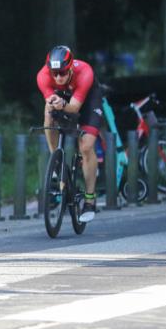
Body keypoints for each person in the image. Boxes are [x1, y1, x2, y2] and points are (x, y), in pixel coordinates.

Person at [36, 45, 102, 222]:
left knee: (86, 147)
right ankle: (56, 160)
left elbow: (74, 108)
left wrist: (63, 106)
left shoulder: (85, 72)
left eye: (62, 73)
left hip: (87, 99)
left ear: (71, 67)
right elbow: (50, 102)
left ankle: (90, 200)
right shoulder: (43, 76)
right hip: (63, 96)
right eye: (54, 73)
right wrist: (53, 103)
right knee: (48, 113)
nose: (58, 77)